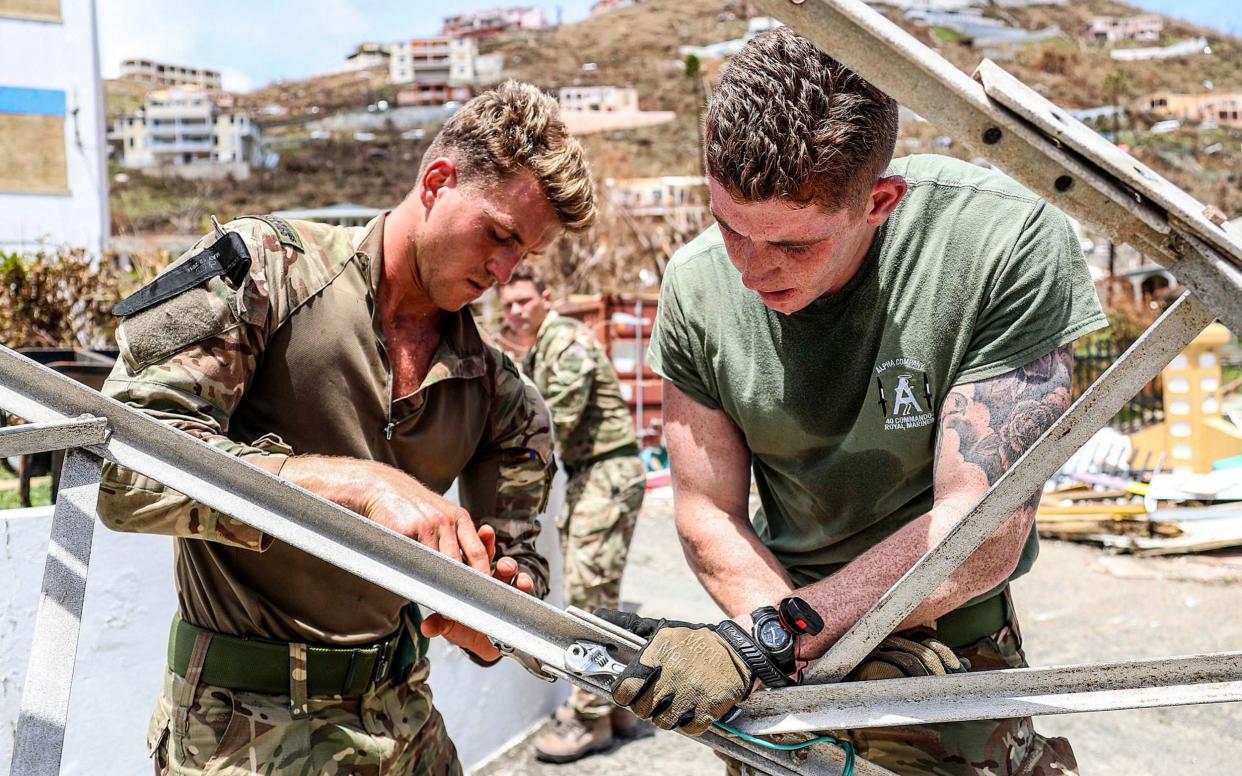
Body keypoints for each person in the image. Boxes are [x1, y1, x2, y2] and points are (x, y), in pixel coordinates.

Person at [595, 27, 1106, 776]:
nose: (749, 270)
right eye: (728, 227)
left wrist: (786, 637)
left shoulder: (999, 243)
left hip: (939, 652)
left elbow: (982, 528)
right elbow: (708, 508)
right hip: (767, 638)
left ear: (881, 201)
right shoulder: (695, 285)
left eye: (793, 247)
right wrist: (778, 645)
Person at [95, 81, 596, 775]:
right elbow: (122, 471)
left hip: (409, 729)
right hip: (243, 736)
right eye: (500, 234)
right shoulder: (264, 271)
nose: (504, 270)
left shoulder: (504, 398)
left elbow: (520, 572)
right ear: (437, 181)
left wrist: (500, 614)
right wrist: (358, 486)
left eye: (526, 256)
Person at [496, 268, 647, 762]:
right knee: (598, 593)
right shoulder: (543, 346)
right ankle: (620, 704)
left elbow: (557, 414)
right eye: (508, 304)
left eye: (523, 301)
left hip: (606, 472)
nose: (515, 311)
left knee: (589, 600)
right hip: (595, 474)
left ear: (546, 297)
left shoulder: (564, 337)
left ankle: (589, 718)